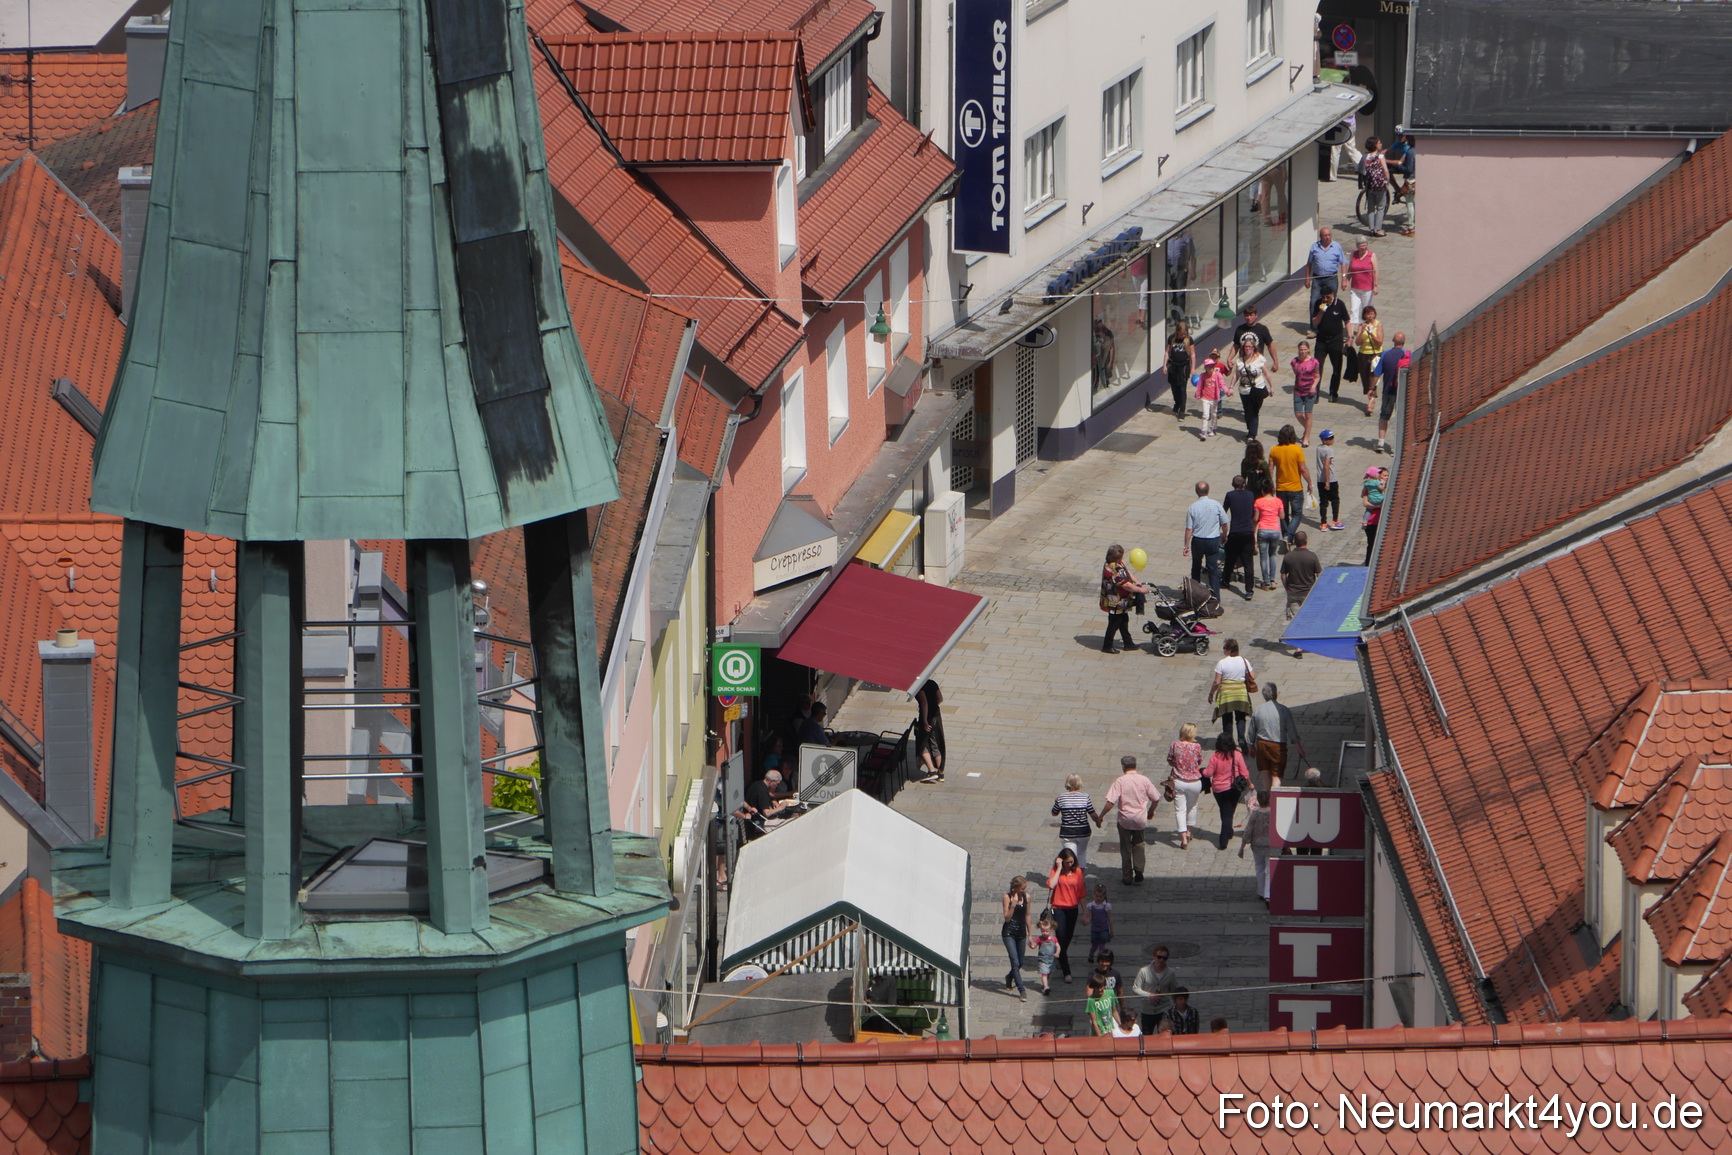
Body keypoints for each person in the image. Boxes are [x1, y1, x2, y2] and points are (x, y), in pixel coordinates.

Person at [1101, 754, 1160, 884]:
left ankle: (1127, 876)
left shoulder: (1120, 781)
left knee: (1125, 847)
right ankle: (1139, 868)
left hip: (1124, 820)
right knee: (1139, 844)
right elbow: (1156, 798)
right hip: (1140, 819)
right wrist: (1151, 811)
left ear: (1123, 766)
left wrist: (1101, 816)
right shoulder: (1144, 780)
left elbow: (1110, 802)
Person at [1045, 848, 1086, 982]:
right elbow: (1051, 884)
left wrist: (1085, 911)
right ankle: (1066, 971)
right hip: (1058, 909)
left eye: (1071, 862)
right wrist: (1058, 868)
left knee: (1067, 938)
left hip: (1072, 909)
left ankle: (1058, 955)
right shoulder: (1056, 871)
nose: (1069, 865)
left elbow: (1081, 892)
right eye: (1067, 862)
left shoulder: (1077, 872)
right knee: (1061, 938)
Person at [1247, 683, 1299, 789]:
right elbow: (1291, 730)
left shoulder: (1258, 709)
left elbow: (1252, 729)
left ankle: (1268, 794)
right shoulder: (1283, 710)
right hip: (1278, 746)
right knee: (1276, 774)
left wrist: (1251, 745)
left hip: (1262, 744)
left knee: (1265, 771)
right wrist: (1299, 748)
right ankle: (1274, 798)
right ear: (1275, 694)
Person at [1181, 481, 1228, 598]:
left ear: (1196, 492)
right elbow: (1225, 523)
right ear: (1208, 490)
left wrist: (1186, 546)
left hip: (1198, 541)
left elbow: (1188, 529)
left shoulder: (1193, 507)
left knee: (1196, 566)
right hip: (1212, 540)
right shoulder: (1216, 505)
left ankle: (1195, 594)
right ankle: (1215, 596)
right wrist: (1224, 535)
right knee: (1213, 569)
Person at [1098, 544, 1147, 654]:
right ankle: (1107, 645)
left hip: (1120, 600)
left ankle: (1128, 643)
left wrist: (1136, 581)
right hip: (1115, 601)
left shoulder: (1116, 564)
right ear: (1117, 557)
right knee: (1114, 623)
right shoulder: (1114, 569)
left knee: (1123, 620)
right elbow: (1125, 585)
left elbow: (1127, 572)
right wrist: (1139, 590)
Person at [1165, 723, 1207, 850]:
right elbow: (1199, 761)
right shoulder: (1197, 746)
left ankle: (1183, 838)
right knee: (1192, 806)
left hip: (1179, 781)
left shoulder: (1175, 745)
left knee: (1180, 810)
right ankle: (1189, 831)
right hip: (1195, 781)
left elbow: (1169, 760)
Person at [1269, 426, 1311, 542]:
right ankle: (1289, 535)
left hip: (1281, 488)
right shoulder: (1297, 449)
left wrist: (1270, 484)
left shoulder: (1274, 450)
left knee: (1283, 514)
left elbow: (1270, 469)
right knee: (1297, 514)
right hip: (1295, 488)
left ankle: (1286, 534)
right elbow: (1303, 469)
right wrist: (1309, 482)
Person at [1051, 775, 1100, 875]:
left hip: (1067, 832)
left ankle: (1070, 876)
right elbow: (1092, 813)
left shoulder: (1061, 797)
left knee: (1070, 856)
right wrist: (1098, 822)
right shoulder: (1085, 797)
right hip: (1083, 831)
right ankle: (1079, 877)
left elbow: (1054, 813)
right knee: (1081, 854)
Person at [1207, 734, 1249, 850]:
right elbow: (1245, 773)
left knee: (1225, 810)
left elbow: (1208, 773)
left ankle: (1228, 831)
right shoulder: (1237, 755)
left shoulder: (1214, 757)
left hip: (1218, 790)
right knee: (1228, 812)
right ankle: (1223, 840)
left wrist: (1202, 771)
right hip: (1234, 789)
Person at [1210, 639, 1254, 748]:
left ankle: (1229, 743)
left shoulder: (1222, 663)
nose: (1223, 650)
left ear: (1229, 650)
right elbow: (1252, 676)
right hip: (1241, 693)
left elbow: (1217, 682)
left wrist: (1211, 693)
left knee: (1227, 718)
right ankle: (1241, 739)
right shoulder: (1244, 661)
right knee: (1240, 717)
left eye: (1224, 648)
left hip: (1226, 694)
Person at [1230, 333, 1274, 442]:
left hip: (1257, 389)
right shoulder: (1240, 361)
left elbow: (1267, 374)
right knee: (1247, 412)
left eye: (1250, 346)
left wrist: (1271, 386)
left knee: (1254, 411)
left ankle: (1252, 434)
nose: (1248, 349)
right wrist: (1231, 387)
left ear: (1254, 348)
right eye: (1246, 347)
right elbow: (1236, 375)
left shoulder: (1260, 359)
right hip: (1244, 390)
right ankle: (1250, 430)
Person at [1280, 530, 1323, 636]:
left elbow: (1283, 575)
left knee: (1294, 620)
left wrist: (1287, 588)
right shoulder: (1312, 556)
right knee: (1308, 618)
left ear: (1295, 541)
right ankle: (1306, 639)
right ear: (1306, 541)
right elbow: (1319, 574)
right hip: (1308, 593)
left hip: (1293, 593)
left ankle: (1297, 646)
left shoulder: (1288, 556)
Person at [1310, 287, 1350, 402]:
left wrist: (1350, 337)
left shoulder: (1340, 304)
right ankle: (1315, 393)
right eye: (1323, 297)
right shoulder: (1319, 304)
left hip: (1336, 340)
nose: (1325, 299)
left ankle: (1333, 392)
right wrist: (1321, 312)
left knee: (1337, 367)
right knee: (1317, 367)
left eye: (1327, 297)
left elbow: (1347, 321)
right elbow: (1315, 322)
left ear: (1332, 295)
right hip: (1322, 340)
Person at [1221, 475, 1257, 600]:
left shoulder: (1230, 495)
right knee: (1248, 562)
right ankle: (1249, 590)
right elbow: (1253, 513)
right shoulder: (1250, 495)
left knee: (1230, 558)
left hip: (1235, 531)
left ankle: (1225, 580)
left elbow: (1223, 511)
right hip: (1248, 531)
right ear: (1244, 484)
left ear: (1233, 484)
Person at [1373, 332, 1410, 453]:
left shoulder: (1385, 354)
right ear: (1403, 342)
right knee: (1401, 418)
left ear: (1393, 341)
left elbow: (1377, 373)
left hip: (1388, 390)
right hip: (1403, 392)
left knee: (1384, 416)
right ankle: (1396, 445)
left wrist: (1372, 388)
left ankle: (1381, 442)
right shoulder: (1408, 355)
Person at [1132, 944, 1180, 1035]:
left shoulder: (1170, 973)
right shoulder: (1144, 971)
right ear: (1154, 957)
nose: (1161, 960)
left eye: (1164, 958)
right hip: (1147, 1009)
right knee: (1147, 1035)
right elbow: (1135, 988)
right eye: (1159, 957)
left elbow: (1174, 990)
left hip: (1164, 1009)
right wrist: (1148, 995)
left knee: (1164, 1034)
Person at [1001, 876, 1033, 999]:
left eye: (1025, 888)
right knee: (1014, 961)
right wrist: (1012, 905)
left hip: (1021, 932)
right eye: (1022, 888)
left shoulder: (1027, 897)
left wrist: (1030, 934)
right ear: (1016, 887)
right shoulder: (1007, 897)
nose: (1024, 890)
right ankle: (1021, 989)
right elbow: (1007, 918)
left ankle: (1009, 977)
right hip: (1009, 932)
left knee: (1020, 962)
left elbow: (1027, 915)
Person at [1304, 226, 1347, 318]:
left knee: (1332, 301)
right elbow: (1309, 264)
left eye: (1329, 235)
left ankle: (1330, 322)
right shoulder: (1314, 247)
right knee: (1314, 301)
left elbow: (1343, 263)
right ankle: (1315, 326)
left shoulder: (1336, 247)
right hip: (1317, 279)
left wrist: (1344, 279)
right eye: (1325, 235)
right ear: (1320, 237)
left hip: (1331, 278)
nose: (1327, 237)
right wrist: (1307, 278)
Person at [1239, 789, 1273, 902]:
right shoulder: (1274, 814)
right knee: (1269, 869)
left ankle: (1261, 892)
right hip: (1270, 845)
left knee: (1259, 868)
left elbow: (1248, 831)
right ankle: (1268, 894)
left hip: (1257, 845)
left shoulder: (1255, 814)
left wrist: (1242, 846)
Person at [1252, 481, 1283, 592]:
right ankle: (1272, 580)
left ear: (1262, 490)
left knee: (1263, 557)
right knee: (1273, 555)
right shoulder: (1278, 501)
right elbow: (1282, 516)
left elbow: (1256, 518)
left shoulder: (1258, 502)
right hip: (1275, 530)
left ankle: (1265, 582)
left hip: (1263, 530)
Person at [1359, 136, 1392, 236]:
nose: (1381, 144)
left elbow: (1362, 171)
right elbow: (1385, 171)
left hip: (1370, 186)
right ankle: (1378, 230)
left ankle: (1371, 229)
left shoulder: (1365, 157)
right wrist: (1387, 182)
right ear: (1375, 145)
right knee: (1381, 208)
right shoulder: (1380, 157)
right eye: (1379, 143)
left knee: (1370, 208)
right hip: (1380, 186)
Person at [915, 679, 946, 783]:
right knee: (935, 744)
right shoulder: (932, 683)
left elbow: (924, 703)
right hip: (937, 716)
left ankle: (932, 771)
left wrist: (924, 721)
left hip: (928, 719)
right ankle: (940, 773)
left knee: (921, 745)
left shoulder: (919, 687)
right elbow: (940, 699)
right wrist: (933, 706)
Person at [1289, 342, 1320, 446]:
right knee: (1298, 414)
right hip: (1298, 390)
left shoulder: (1314, 362)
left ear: (1308, 350)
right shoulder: (1294, 361)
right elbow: (1296, 373)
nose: (1302, 351)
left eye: (1304, 349)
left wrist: (1313, 386)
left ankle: (1306, 438)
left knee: (1308, 414)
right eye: (1301, 349)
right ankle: (1308, 428)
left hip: (1309, 391)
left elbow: (1317, 375)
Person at [1353, 306, 1385, 405]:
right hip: (1363, 354)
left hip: (1374, 355)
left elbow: (1380, 342)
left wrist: (1372, 334)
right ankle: (1371, 396)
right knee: (1365, 378)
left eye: (1371, 314)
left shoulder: (1378, 325)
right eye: (1368, 314)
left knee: (1373, 379)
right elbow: (1358, 343)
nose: (1370, 316)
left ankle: (1370, 402)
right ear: (1364, 315)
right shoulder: (1361, 326)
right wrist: (1362, 332)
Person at [1164, 320, 1194, 419]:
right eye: (1181, 334)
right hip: (1173, 366)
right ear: (1177, 332)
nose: (1183, 336)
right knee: (1174, 387)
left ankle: (1182, 409)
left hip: (1184, 366)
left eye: (1184, 334)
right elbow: (1167, 352)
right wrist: (1164, 365)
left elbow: (1193, 354)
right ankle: (1177, 403)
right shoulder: (1171, 339)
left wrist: (1193, 367)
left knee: (1182, 388)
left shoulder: (1189, 340)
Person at [1196, 352, 1229, 438]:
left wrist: (1227, 391)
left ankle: (1213, 428)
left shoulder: (1217, 375)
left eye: (1212, 367)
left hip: (1214, 398)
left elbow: (1222, 385)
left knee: (1214, 414)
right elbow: (1199, 385)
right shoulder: (1203, 376)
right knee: (1205, 415)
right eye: (1208, 367)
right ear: (1205, 368)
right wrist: (1198, 394)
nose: (1210, 369)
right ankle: (1204, 431)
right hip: (1205, 398)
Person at [1315, 429, 1342, 531]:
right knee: (1335, 499)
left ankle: (1323, 523)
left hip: (1320, 479)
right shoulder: (1329, 450)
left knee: (1323, 502)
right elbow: (1326, 466)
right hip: (1330, 479)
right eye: (1330, 438)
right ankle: (1335, 521)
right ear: (1325, 440)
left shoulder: (1318, 448)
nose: (1333, 439)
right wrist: (1327, 481)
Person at [1345, 239, 1378, 324]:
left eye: (1365, 245)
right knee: (1353, 310)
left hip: (1367, 288)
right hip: (1355, 288)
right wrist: (1346, 280)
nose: (1363, 247)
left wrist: (1375, 286)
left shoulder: (1371, 255)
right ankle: (1351, 333)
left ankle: (1367, 328)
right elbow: (1350, 269)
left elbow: (1375, 271)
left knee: (1366, 310)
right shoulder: (1353, 254)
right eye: (1361, 245)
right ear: (1357, 246)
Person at [1363, 465, 1387, 566]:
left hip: (1384, 520)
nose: (1387, 477)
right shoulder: (1371, 487)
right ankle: (1368, 565)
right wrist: (1379, 505)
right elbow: (1365, 503)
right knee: (1371, 544)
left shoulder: (1388, 488)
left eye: (1388, 475)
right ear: (1379, 476)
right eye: (1385, 475)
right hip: (1372, 521)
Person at [1031, 917, 1060, 995]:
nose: (1044, 933)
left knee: (1049, 973)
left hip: (1051, 959)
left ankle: (1045, 984)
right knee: (1044, 973)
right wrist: (1031, 944)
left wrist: (1057, 953)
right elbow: (1034, 946)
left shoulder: (1053, 939)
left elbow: (1058, 946)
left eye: (1047, 931)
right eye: (1042, 931)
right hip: (1043, 960)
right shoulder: (1039, 939)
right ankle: (1046, 987)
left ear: (1051, 930)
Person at [1086, 886, 1114, 961]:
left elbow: (1109, 919)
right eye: (1096, 896)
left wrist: (1111, 930)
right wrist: (1086, 921)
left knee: (1102, 945)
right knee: (1094, 945)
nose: (1098, 898)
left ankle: (1101, 958)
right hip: (1094, 929)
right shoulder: (1091, 906)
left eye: (1100, 896)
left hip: (1104, 929)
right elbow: (1090, 917)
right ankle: (1091, 954)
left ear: (1104, 896)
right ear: (1094, 895)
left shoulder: (1106, 906)